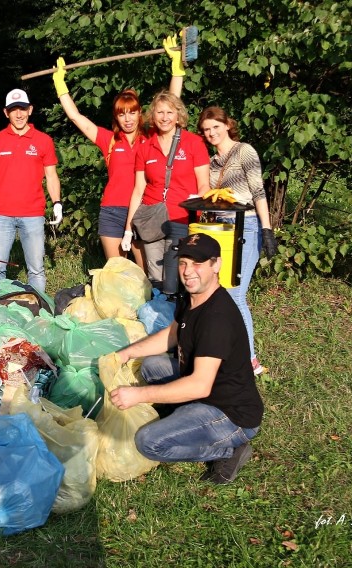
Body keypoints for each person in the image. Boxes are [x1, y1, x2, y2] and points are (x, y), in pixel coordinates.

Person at [109, 233, 263, 484]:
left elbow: (199, 385)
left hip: (230, 413)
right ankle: (182, 414)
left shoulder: (217, 318)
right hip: (205, 390)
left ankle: (228, 451)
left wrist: (138, 395)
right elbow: (172, 335)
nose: (188, 271)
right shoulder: (192, 297)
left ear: (216, 265)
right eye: (183, 262)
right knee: (150, 366)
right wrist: (126, 352)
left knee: (148, 442)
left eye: (198, 263)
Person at [50, 34, 185, 268]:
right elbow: (76, 117)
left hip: (144, 211)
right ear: (116, 117)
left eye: (132, 112)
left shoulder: (151, 136)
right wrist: (61, 85)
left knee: (147, 275)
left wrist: (177, 68)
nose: (127, 118)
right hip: (112, 211)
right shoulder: (109, 140)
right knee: (116, 274)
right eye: (122, 114)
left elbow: (171, 105)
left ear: (139, 113)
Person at [198, 106, 278, 376]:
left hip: (248, 226)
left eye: (215, 127)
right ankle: (225, 351)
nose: (211, 133)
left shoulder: (245, 151)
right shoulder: (211, 163)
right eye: (206, 130)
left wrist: (267, 229)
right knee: (218, 291)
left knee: (235, 293)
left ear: (227, 125)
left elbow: (258, 191)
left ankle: (249, 359)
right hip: (220, 229)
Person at [0, 89, 62, 301]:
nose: (19, 114)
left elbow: (52, 176)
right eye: (13, 110)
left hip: (33, 214)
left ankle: (39, 316)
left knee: (36, 270)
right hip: (2, 215)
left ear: (30, 110)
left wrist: (57, 203)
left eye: (23, 109)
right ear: (6, 113)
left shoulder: (43, 140)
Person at [121, 89, 210, 296]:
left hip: (181, 218)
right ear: (153, 116)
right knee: (155, 276)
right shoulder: (145, 147)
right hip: (152, 219)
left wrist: (197, 200)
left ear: (178, 115)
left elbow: (204, 184)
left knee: (174, 276)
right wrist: (128, 229)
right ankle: (159, 320)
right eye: (160, 113)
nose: (165, 118)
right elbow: (138, 190)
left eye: (170, 112)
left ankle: (176, 322)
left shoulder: (193, 143)